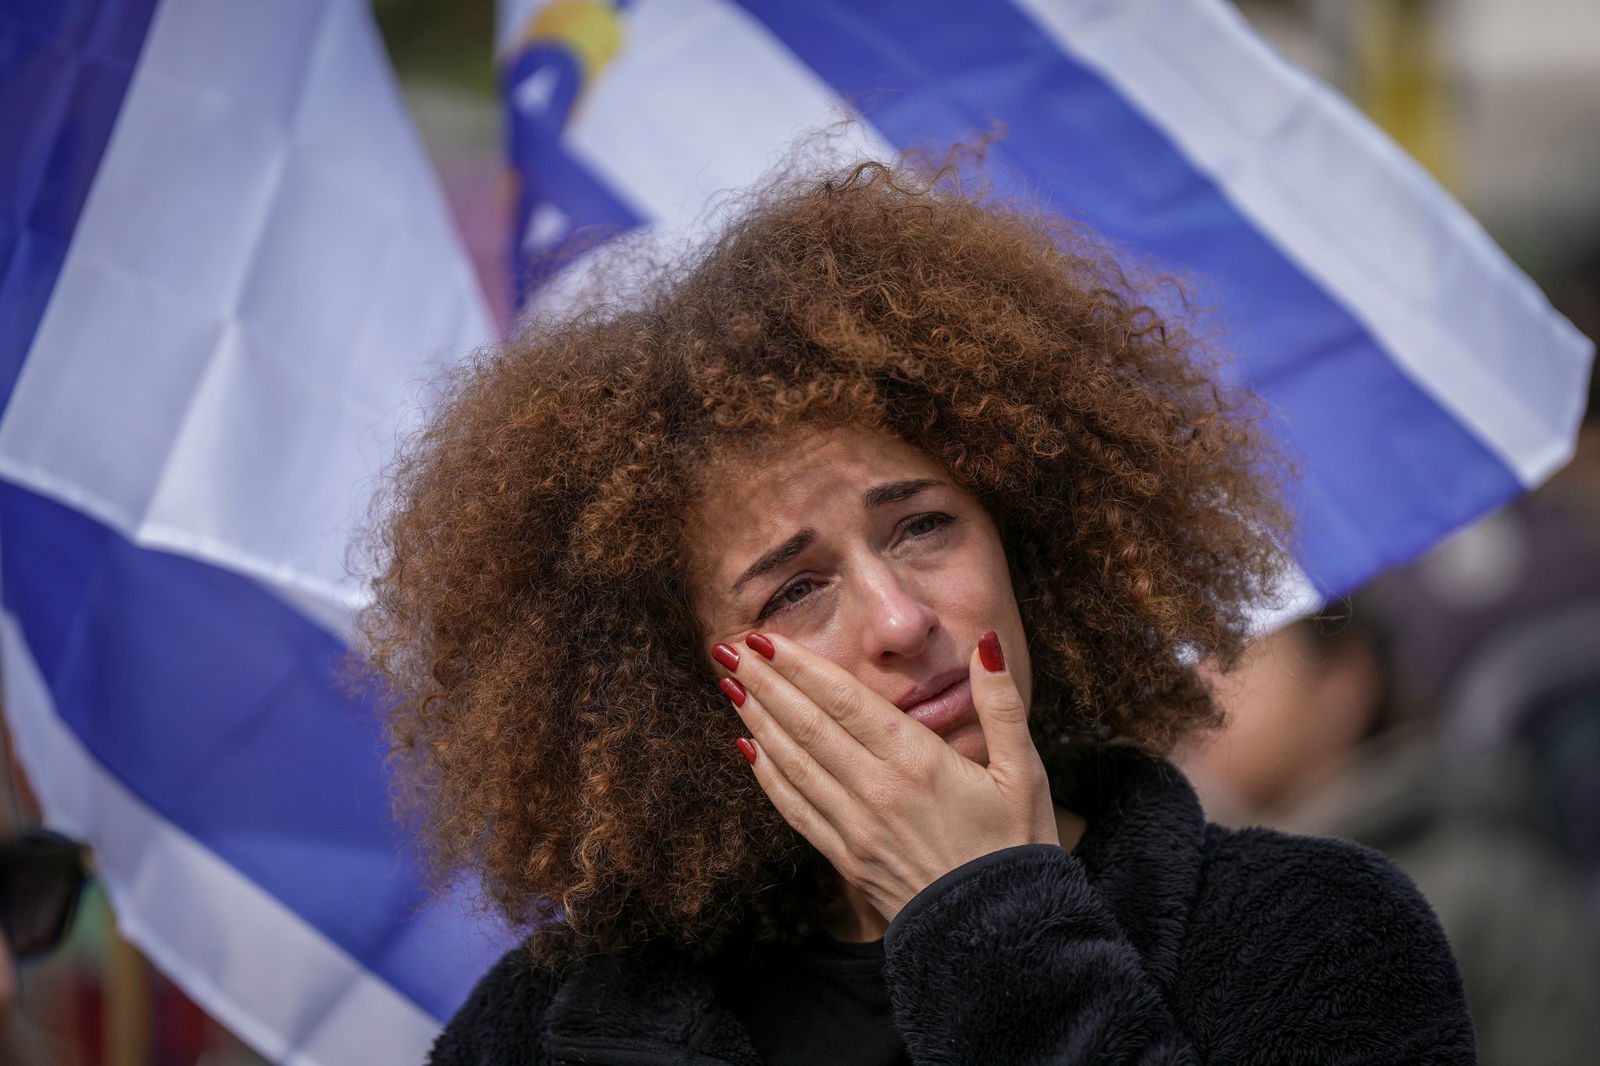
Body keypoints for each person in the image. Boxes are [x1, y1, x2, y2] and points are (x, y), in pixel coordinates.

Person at [360, 158, 1475, 1064]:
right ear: (676, 683)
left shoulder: (1312, 930)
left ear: (1024, 532)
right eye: (795, 588)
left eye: (921, 526)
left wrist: (988, 919)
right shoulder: (550, 1030)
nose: (899, 620)